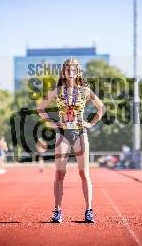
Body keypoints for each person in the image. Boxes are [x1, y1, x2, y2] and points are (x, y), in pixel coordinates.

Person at [37, 57, 105, 223]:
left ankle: (89, 211)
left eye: (73, 68)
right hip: (63, 134)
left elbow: (101, 108)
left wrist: (90, 123)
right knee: (60, 173)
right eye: (67, 68)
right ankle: (58, 211)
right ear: (64, 71)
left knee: (84, 173)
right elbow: (40, 108)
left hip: (80, 133)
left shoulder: (85, 90)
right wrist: (52, 124)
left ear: (78, 71)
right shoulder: (57, 90)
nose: (70, 71)